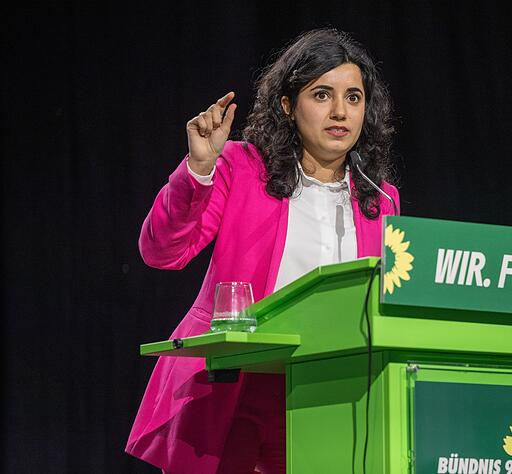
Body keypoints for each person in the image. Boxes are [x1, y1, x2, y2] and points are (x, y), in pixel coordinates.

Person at [125, 28, 399, 474]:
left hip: (330, 393)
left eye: (353, 97)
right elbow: (162, 251)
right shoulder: (241, 168)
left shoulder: (380, 199)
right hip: (235, 389)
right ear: (289, 106)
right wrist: (198, 169)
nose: (339, 111)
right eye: (322, 94)